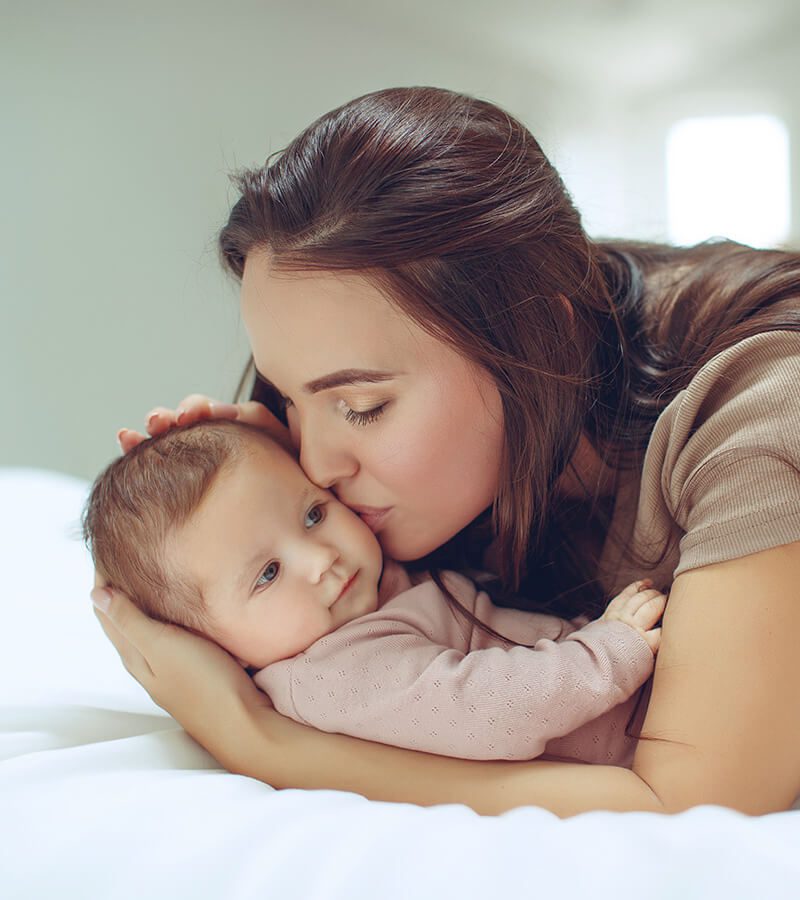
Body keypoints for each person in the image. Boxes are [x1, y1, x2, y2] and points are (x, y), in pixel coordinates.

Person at [92, 85, 800, 818]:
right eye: (293, 401)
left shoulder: (764, 407)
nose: (317, 464)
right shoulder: (412, 484)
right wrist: (253, 483)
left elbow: (695, 796)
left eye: (361, 407)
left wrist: (260, 742)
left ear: (538, 341)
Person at [82, 417, 666, 764]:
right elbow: (490, 711)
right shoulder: (332, 674)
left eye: (313, 514)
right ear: (213, 646)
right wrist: (605, 653)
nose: (319, 558)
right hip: (633, 732)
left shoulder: (365, 594)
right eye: (266, 574)